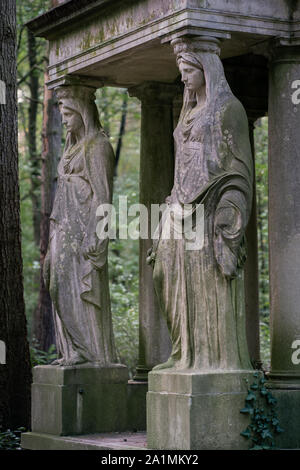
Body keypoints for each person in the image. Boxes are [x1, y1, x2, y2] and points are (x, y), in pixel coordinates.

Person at [148, 38, 253, 371]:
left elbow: (240, 169)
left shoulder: (227, 109)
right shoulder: (188, 112)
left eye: (189, 70)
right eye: (181, 70)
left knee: (206, 282)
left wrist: (229, 208)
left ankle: (208, 359)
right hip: (179, 207)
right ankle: (182, 352)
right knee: (164, 273)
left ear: (207, 69)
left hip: (209, 208)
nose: (184, 78)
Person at [43, 85, 118, 366]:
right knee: (54, 280)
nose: (64, 121)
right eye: (61, 115)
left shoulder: (97, 146)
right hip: (63, 226)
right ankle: (71, 349)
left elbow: (103, 195)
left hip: (83, 229)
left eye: (68, 115)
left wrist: (97, 235)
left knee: (68, 286)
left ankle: (86, 350)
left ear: (83, 113)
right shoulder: (71, 149)